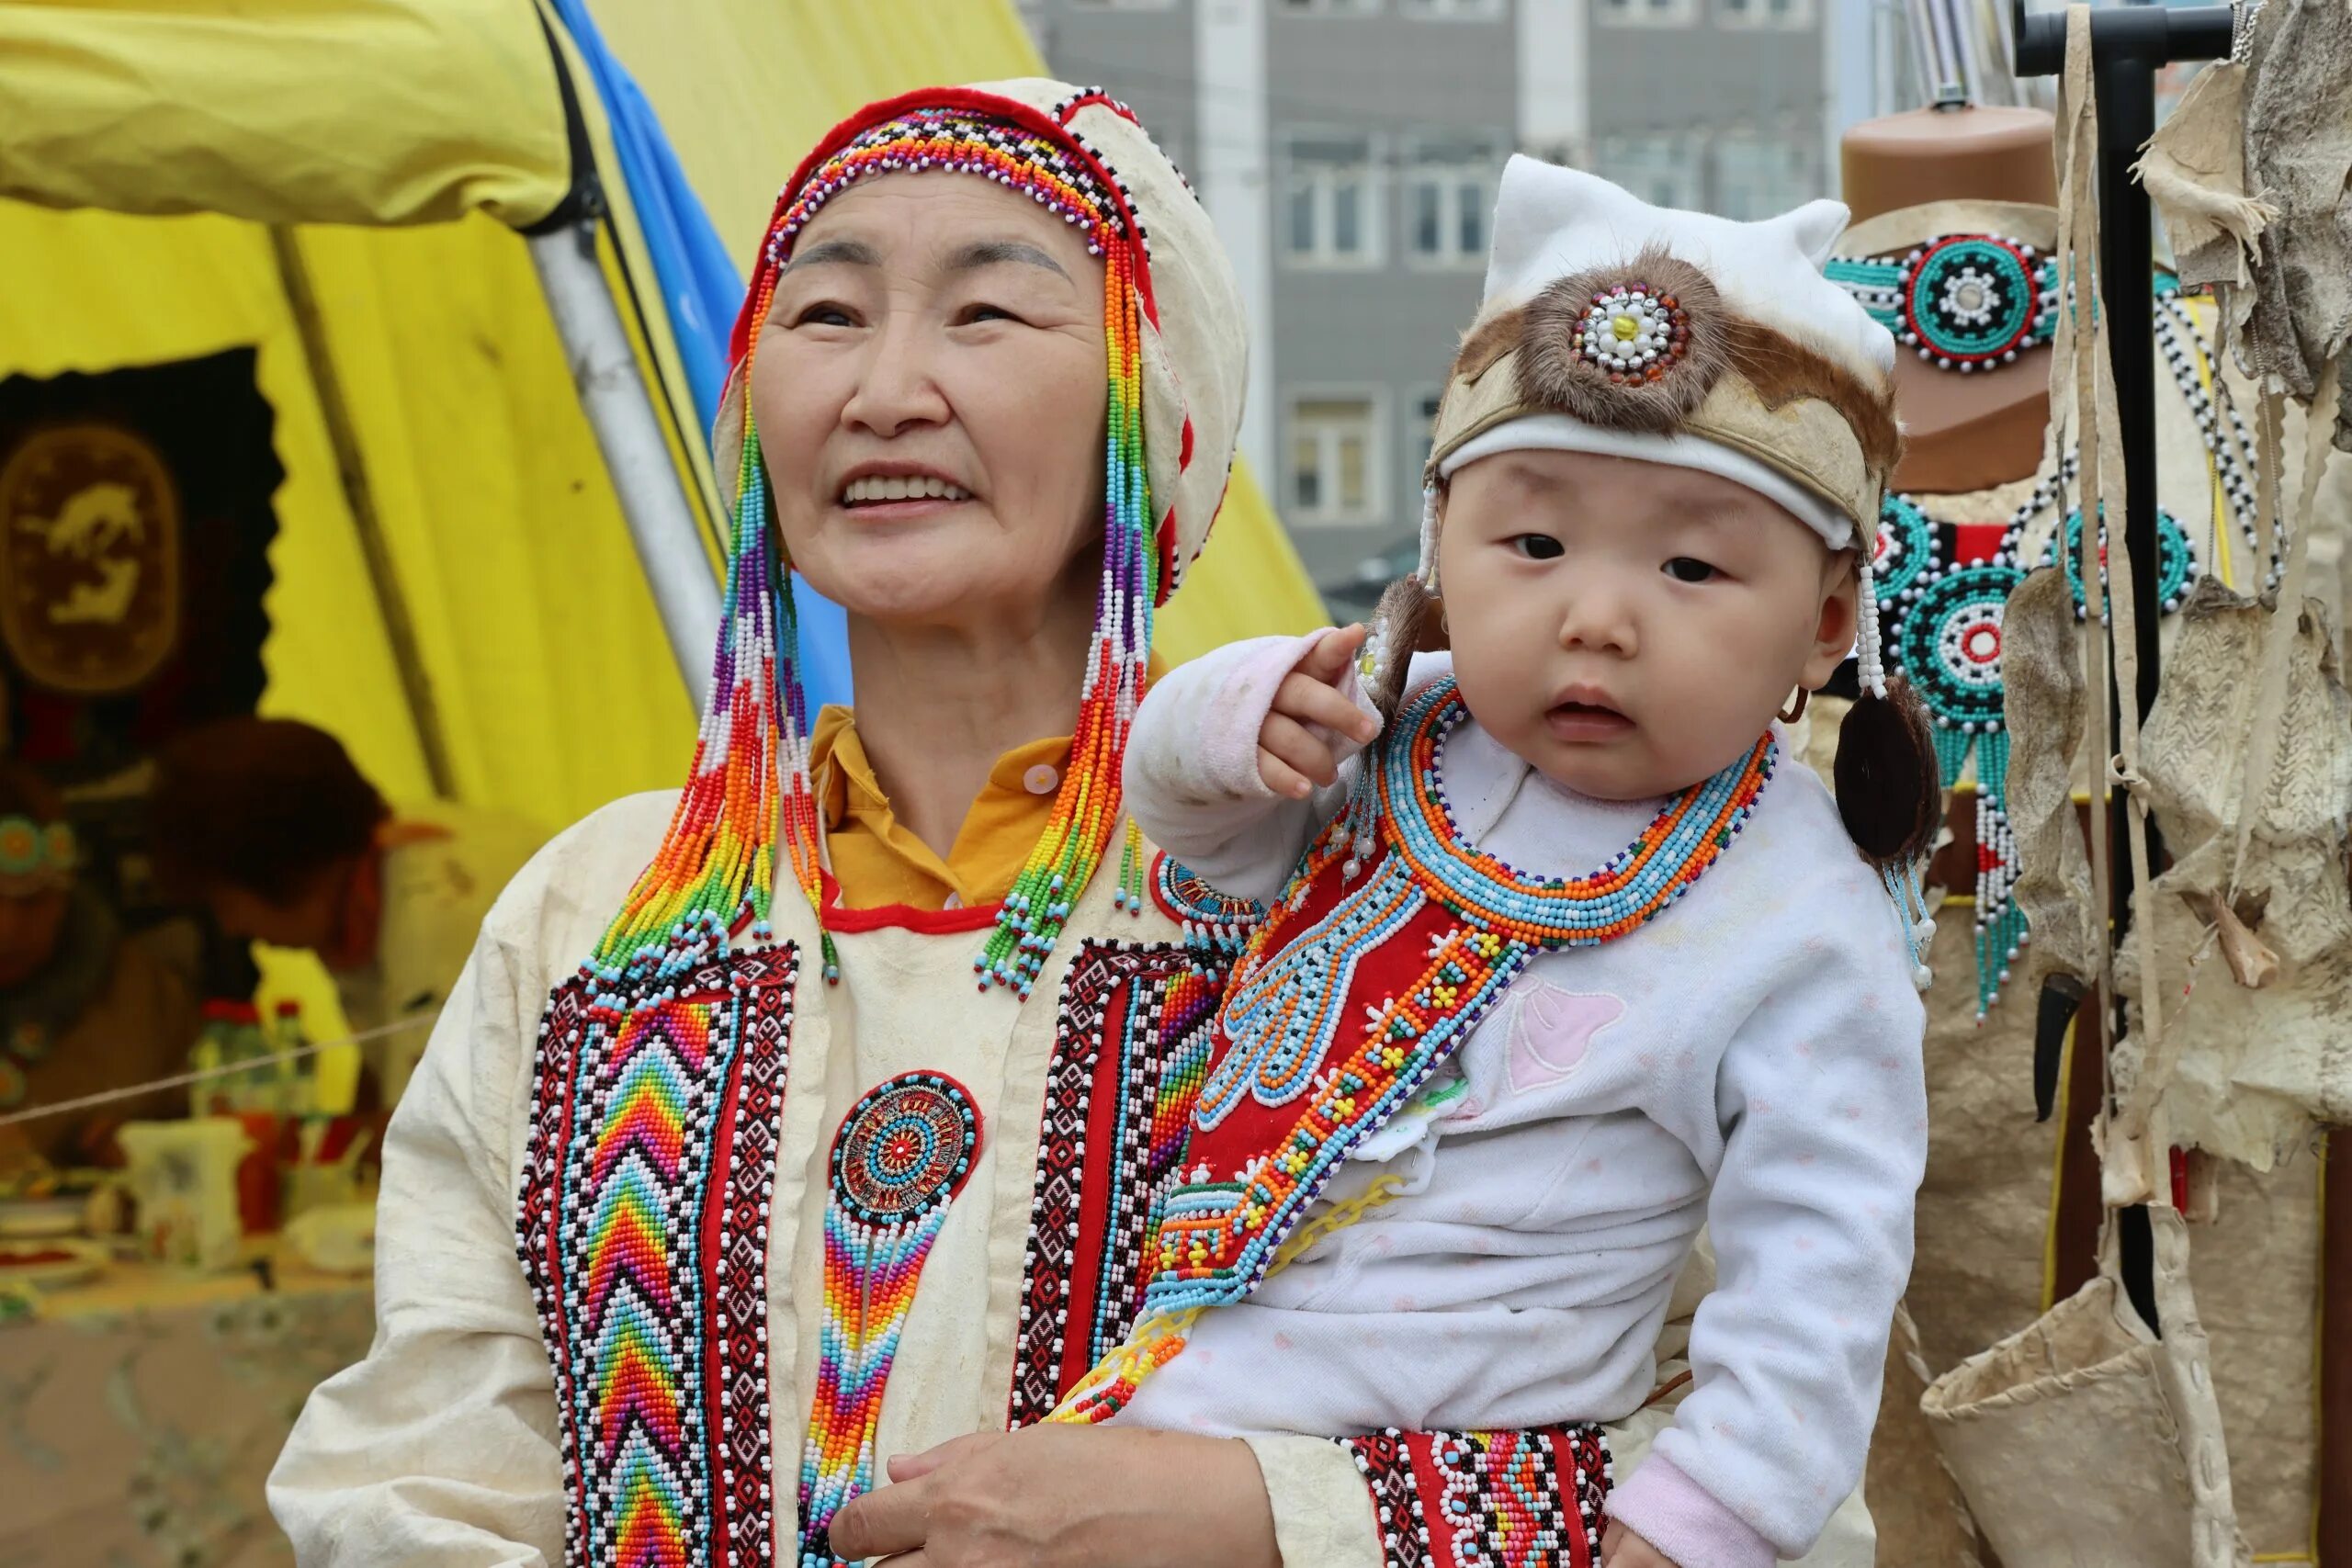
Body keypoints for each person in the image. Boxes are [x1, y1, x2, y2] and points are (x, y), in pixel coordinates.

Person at [265, 82, 1816, 1568]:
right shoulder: (601, 911)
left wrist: (1253, 1518)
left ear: (1159, 410)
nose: (885, 390)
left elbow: (1743, 1447)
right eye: (825, 311)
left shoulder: (1416, 876)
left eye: (988, 309)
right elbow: (430, 1450)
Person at [1091, 160, 1938, 1568]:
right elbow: (1200, 829)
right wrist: (1240, 716)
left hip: (1456, 1482)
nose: (1595, 616)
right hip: (1170, 1400)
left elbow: (1822, 1276)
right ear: (1437, 556)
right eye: (1532, 543)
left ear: (1827, 622)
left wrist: (1695, 1528)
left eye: (1691, 569)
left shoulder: (1802, 921)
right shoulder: (1386, 734)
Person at [147, 717, 544, 1105]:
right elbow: (388, 1068)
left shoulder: (443, 912)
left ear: (283, 871)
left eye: (226, 903)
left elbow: (432, 1138)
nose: (231, 927)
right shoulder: (364, 876)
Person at [0, 761, 198, 1174]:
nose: (7, 928)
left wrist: (131, 1142)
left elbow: (203, 1133)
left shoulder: (141, 999)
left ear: (65, 891)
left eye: (32, 900)